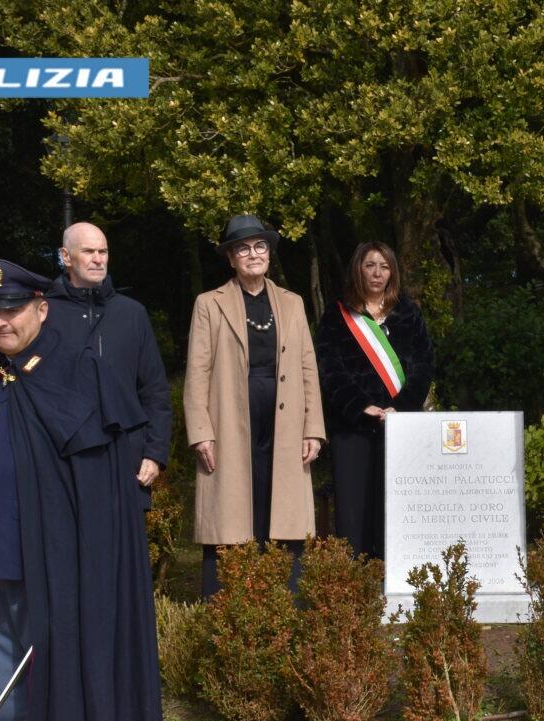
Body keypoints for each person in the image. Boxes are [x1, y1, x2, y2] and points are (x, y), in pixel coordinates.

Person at [0, 259, 162, 721]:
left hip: (49, 565)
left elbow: (106, 490)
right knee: (0, 693)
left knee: (48, 690)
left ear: (42, 308)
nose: (1, 322)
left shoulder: (80, 376)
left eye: (13, 310)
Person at [183, 214, 325, 597]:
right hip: (230, 417)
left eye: (259, 246)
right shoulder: (208, 304)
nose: (253, 254)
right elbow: (197, 371)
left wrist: (313, 427)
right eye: (242, 248)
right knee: (231, 509)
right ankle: (227, 604)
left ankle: (286, 603)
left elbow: (308, 367)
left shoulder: (293, 303)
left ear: (269, 252)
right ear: (230, 258)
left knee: (282, 509)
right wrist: (201, 432)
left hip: (286, 417)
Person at [316, 242, 434, 559]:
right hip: (352, 427)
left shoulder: (408, 313)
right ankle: (355, 588)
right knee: (353, 511)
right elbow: (330, 369)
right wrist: (359, 405)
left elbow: (423, 366)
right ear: (358, 269)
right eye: (370, 265)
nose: (377, 272)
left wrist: (401, 406)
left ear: (392, 271)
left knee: (394, 508)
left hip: (399, 427)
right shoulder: (337, 314)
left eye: (384, 266)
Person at [44, 221, 172, 508]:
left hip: (127, 457)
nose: (98, 259)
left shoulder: (132, 313)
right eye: (88, 251)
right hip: (63, 460)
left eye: (103, 251)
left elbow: (154, 390)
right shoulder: (44, 314)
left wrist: (154, 452)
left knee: (125, 551)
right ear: (66, 257)